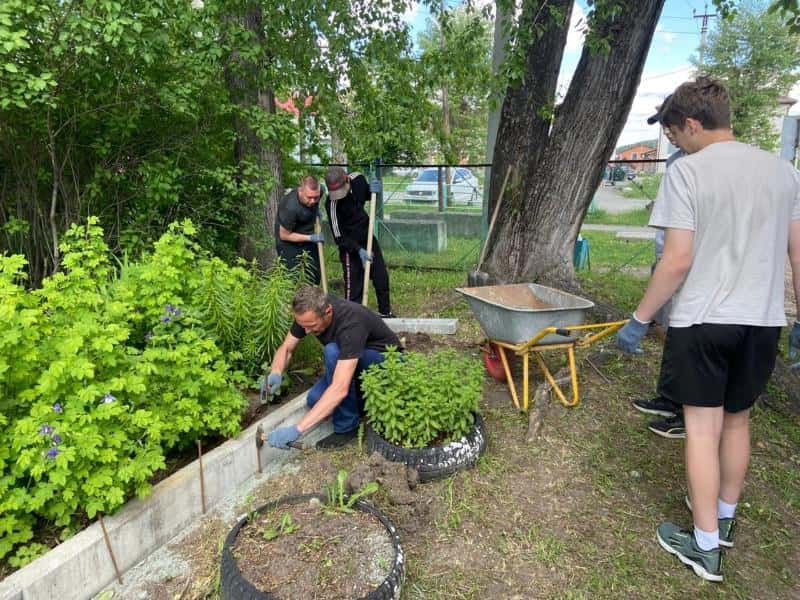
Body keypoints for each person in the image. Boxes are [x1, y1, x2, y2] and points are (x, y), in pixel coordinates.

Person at [616, 76, 800, 582]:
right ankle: (724, 518)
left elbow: (676, 261)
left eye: (676, 133)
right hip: (762, 323)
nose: (676, 142)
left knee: (701, 429)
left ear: (694, 124)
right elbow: (798, 253)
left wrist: (640, 318)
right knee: (737, 422)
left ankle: (704, 546)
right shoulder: (784, 172)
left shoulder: (688, 173)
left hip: (703, 320)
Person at [263, 286, 401, 450]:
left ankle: (347, 428)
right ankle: (363, 402)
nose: (306, 331)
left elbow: (339, 389)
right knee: (315, 399)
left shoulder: (351, 322)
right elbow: (287, 347)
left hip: (387, 362)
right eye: (303, 325)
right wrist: (276, 372)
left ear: (328, 312)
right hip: (354, 360)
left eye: (311, 326)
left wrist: (297, 429)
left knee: (332, 351)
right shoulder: (308, 313)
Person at [631, 96, 687, 439]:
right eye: (664, 127)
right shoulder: (677, 160)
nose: (667, 133)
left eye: (671, 125)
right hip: (668, 257)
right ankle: (669, 398)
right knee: (672, 332)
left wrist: (638, 319)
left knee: (687, 337)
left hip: (688, 266)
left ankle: (685, 412)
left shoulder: (699, 167)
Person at [324, 167, 395, 317]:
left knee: (381, 278)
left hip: (367, 237)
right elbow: (339, 238)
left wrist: (373, 190)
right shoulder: (331, 204)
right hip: (349, 247)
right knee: (354, 290)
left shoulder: (358, 180)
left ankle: (385, 314)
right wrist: (358, 250)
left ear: (346, 179)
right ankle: (353, 319)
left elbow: (367, 195)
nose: (338, 196)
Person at [275, 175, 325, 284]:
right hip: (289, 243)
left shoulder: (319, 191)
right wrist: (311, 238)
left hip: (308, 235)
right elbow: (284, 235)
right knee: (293, 278)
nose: (313, 201)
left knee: (314, 275)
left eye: (316, 197)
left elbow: (315, 202)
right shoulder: (290, 206)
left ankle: (312, 294)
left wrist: (317, 213)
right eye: (309, 197)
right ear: (301, 191)